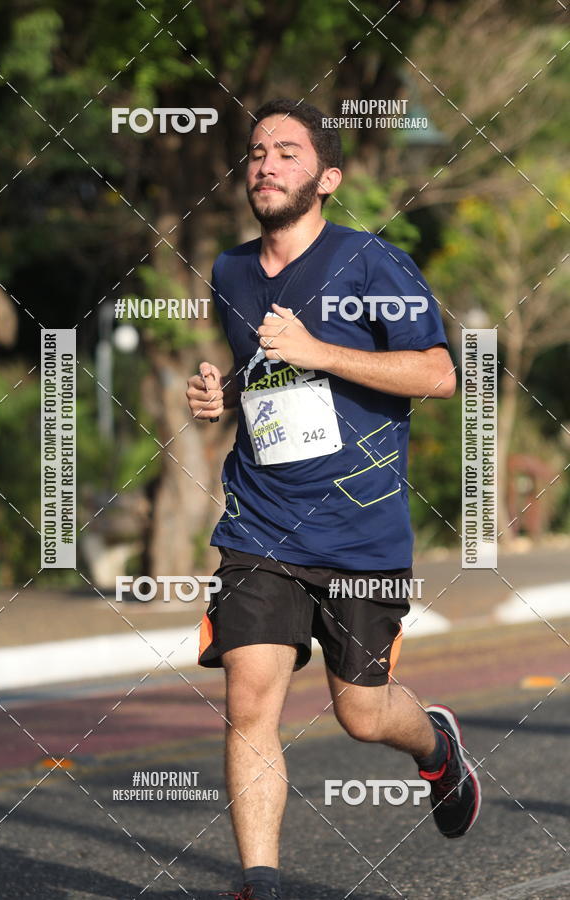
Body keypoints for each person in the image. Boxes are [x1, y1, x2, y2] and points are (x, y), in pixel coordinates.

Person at [186, 98, 480, 900]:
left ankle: (437, 748)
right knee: (250, 703)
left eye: (287, 151)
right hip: (260, 524)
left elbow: (438, 373)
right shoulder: (231, 271)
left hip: (359, 534)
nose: (266, 164)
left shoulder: (371, 264)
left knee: (362, 712)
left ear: (327, 178)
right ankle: (261, 884)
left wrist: (321, 349)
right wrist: (221, 399)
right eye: (256, 151)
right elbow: (265, 375)